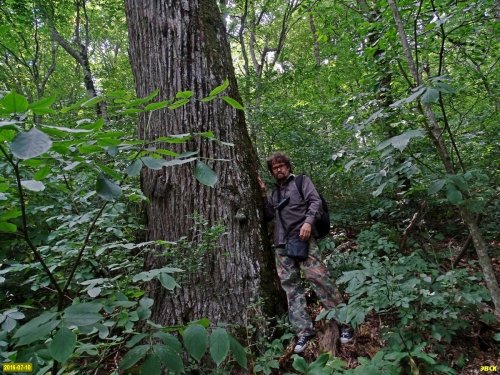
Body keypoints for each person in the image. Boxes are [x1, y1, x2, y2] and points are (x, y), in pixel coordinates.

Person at [258, 151, 351, 354]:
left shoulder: (301, 181)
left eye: (282, 165)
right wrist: (264, 193)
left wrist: (308, 223)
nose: (279, 169)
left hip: (303, 239)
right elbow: (267, 215)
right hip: (281, 245)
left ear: (289, 167)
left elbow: (315, 202)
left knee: (320, 279)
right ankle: (303, 331)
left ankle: (344, 322)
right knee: (291, 288)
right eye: (274, 168)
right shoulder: (274, 193)